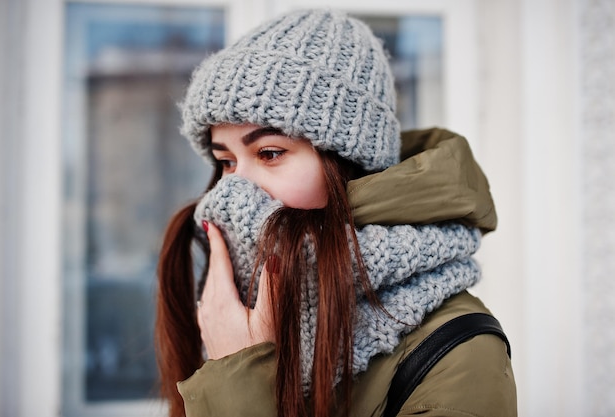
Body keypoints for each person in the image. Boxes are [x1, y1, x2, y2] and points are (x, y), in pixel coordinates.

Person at [155, 9, 517, 417]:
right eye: (227, 162)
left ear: (346, 164)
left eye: (270, 153)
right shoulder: (231, 309)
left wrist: (239, 372)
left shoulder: (460, 355)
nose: (237, 187)